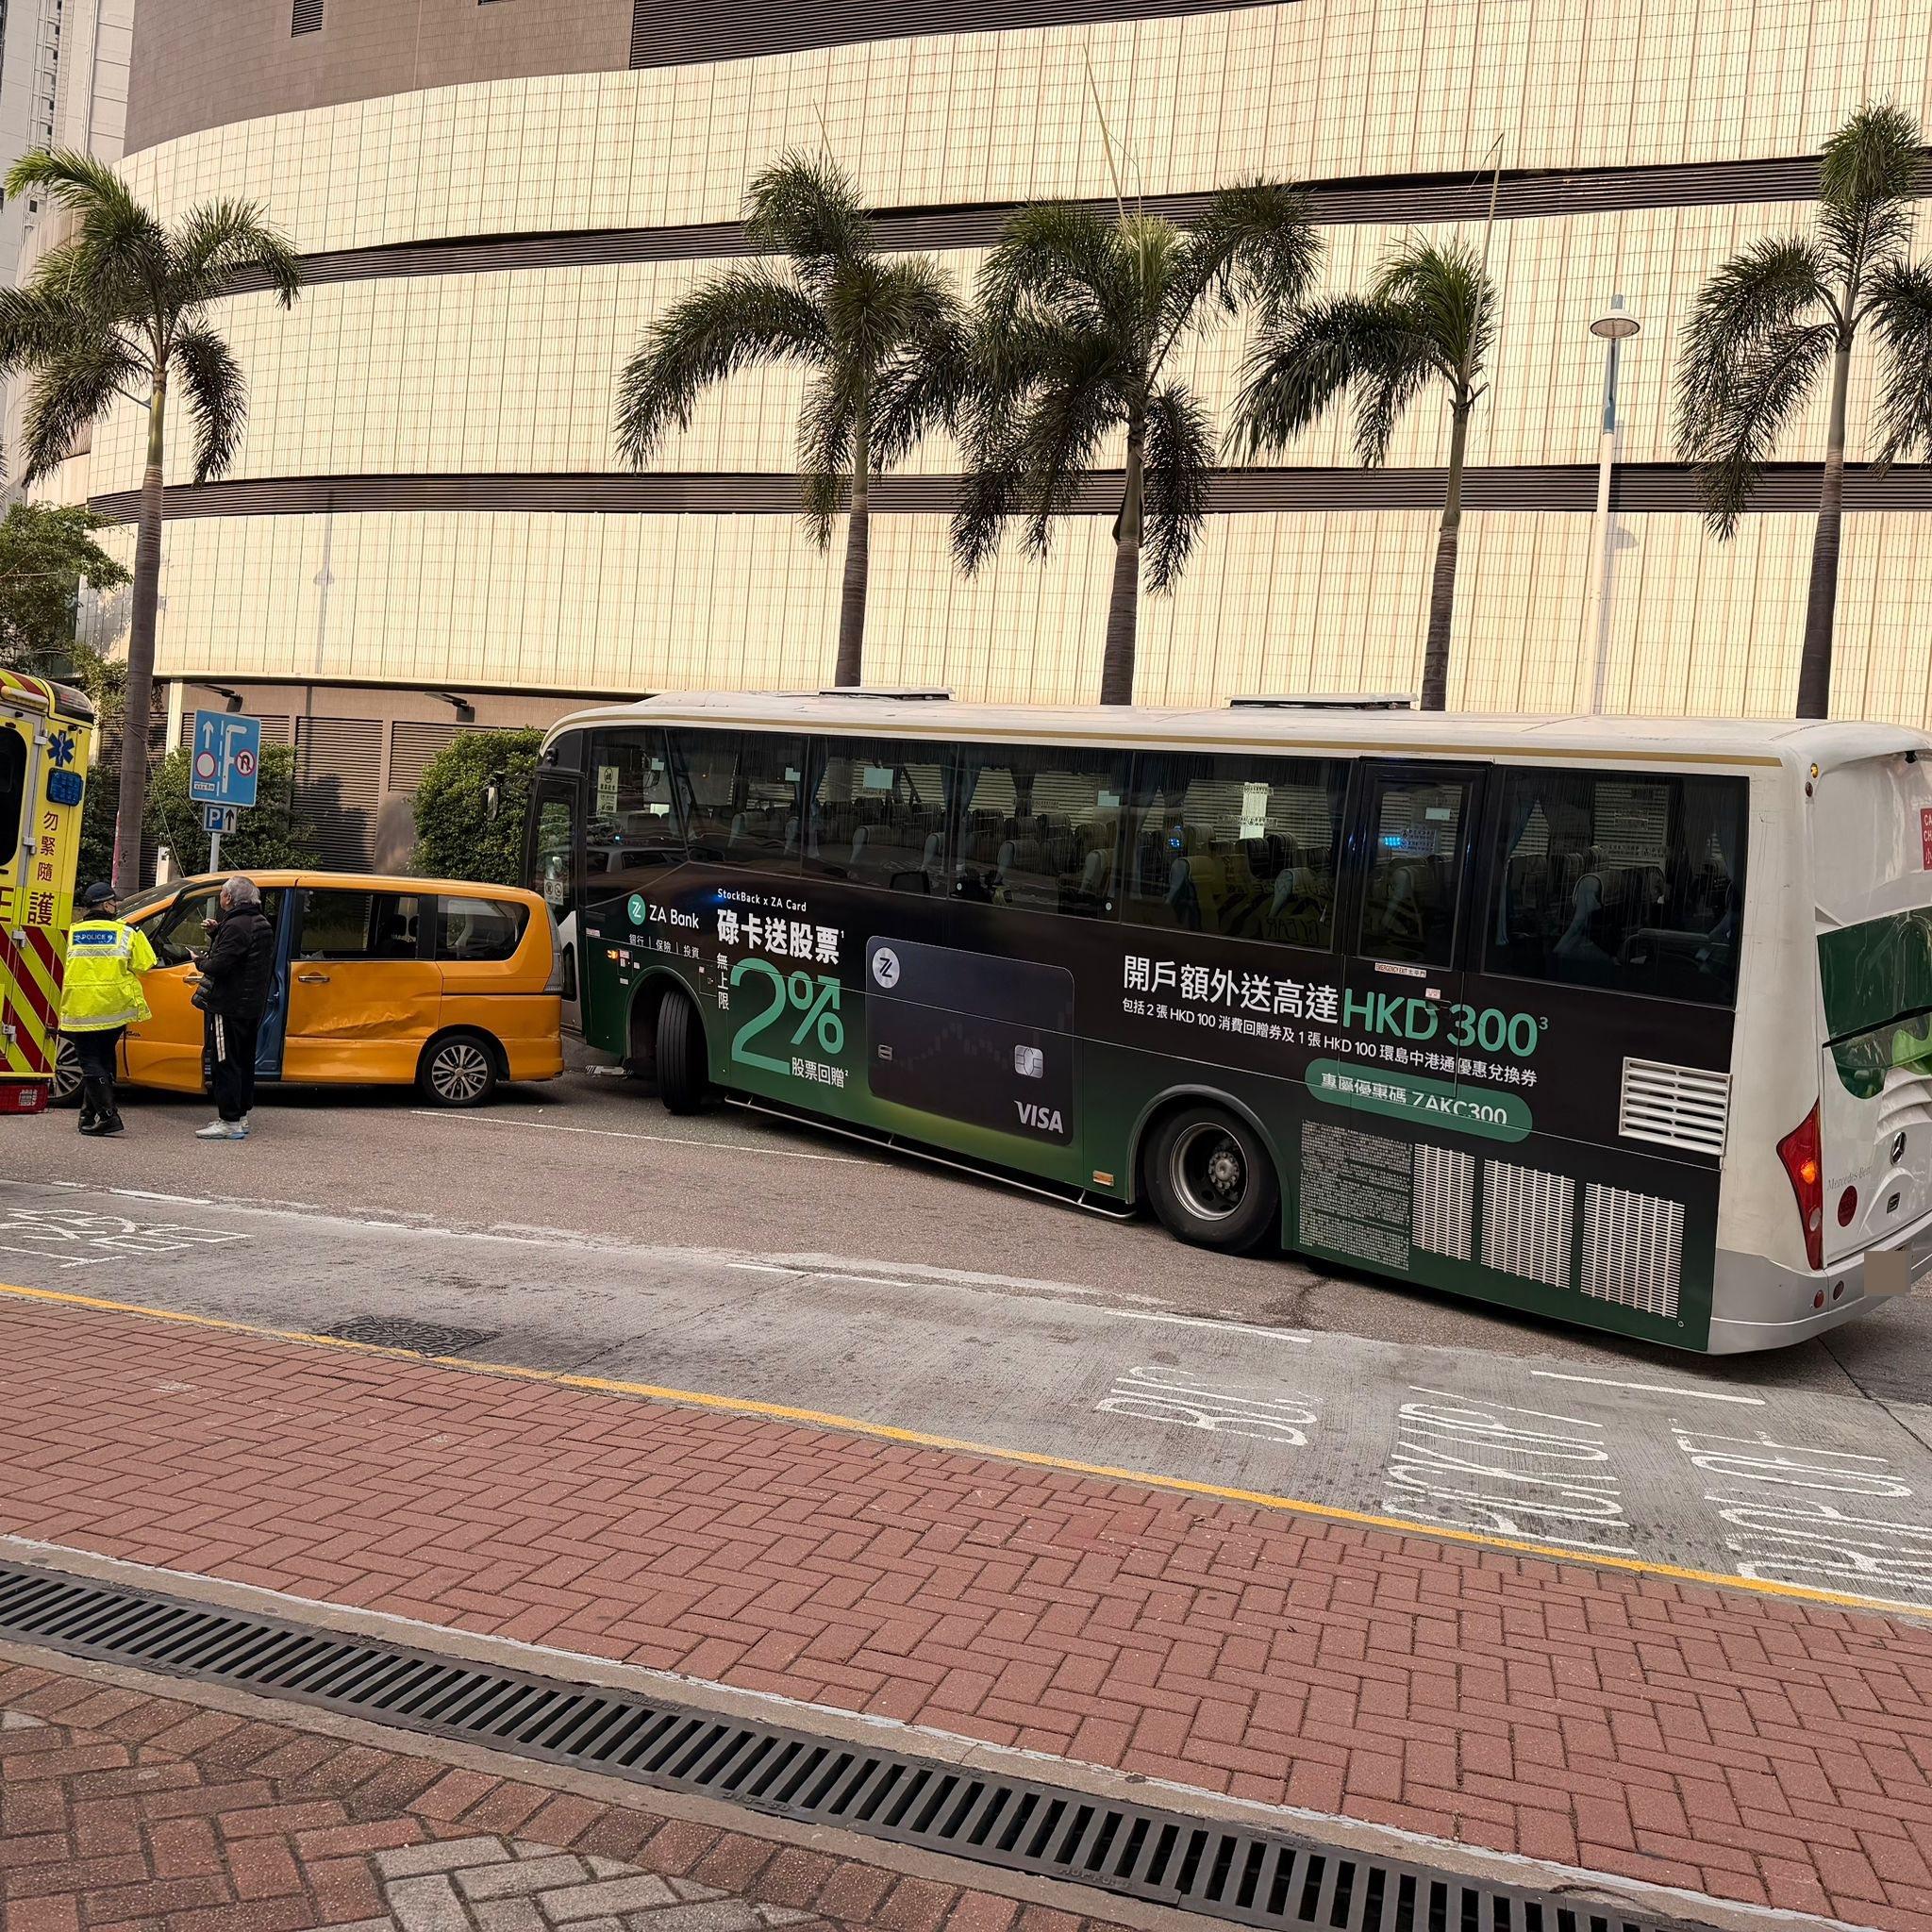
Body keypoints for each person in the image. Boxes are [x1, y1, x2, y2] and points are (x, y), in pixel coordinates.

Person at [58, 882, 157, 1137]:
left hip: (81, 1008)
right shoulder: (128, 932)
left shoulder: (71, 931)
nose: (116, 906)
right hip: (115, 1009)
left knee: (90, 1061)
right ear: (105, 905)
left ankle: (108, 1116)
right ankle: (88, 1115)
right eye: (114, 902)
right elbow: (147, 963)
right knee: (101, 1059)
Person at [192, 875, 275, 1141]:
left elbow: (220, 964)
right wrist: (218, 932)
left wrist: (199, 961)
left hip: (228, 1005)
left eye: (222, 894)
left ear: (228, 897)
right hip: (251, 1005)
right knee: (243, 1061)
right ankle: (240, 1116)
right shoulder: (260, 922)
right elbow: (244, 954)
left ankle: (228, 1120)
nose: (220, 898)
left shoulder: (237, 926)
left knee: (224, 1061)